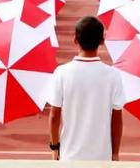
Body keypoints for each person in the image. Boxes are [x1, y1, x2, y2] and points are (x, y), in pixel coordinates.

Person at [48, 16, 124, 161]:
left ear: (75, 39)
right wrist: (115, 153)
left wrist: (55, 147)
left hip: (69, 155)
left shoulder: (61, 72)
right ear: (102, 40)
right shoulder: (113, 75)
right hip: (102, 156)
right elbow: (117, 119)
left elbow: (54, 116)